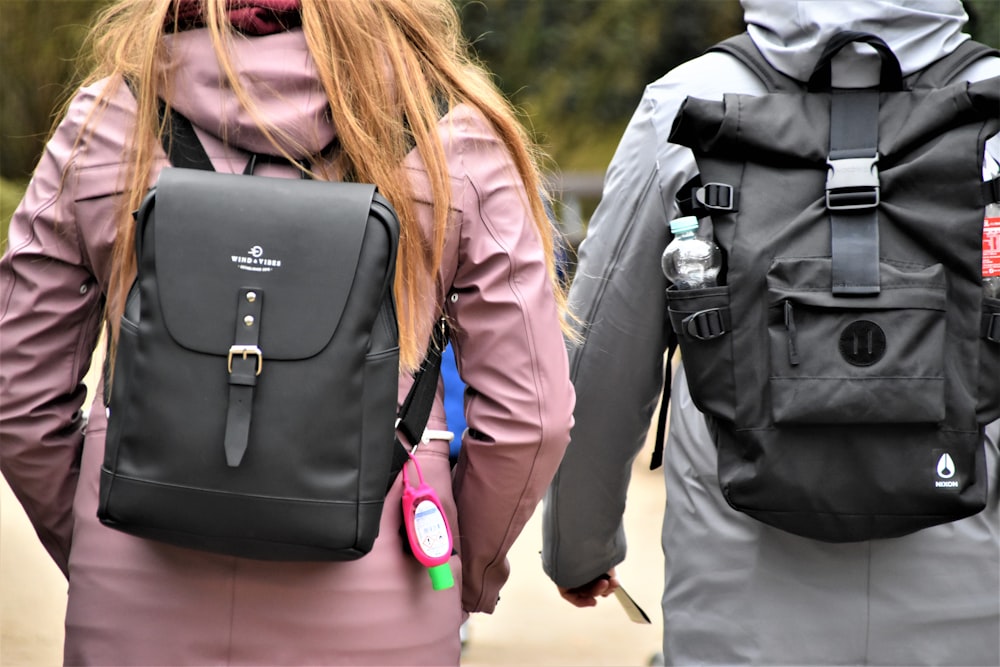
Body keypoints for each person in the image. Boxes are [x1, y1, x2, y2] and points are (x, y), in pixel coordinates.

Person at [0, 1, 575, 664]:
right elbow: (533, 417)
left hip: (135, 593)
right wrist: (460, 570)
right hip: (381, 596)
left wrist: (99, 539)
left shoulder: (106, 121)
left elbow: (18, 395)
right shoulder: (451, 134)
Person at [541, 1, 1000, 665]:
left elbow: (601, 357)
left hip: (737, 599)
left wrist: (578, 548)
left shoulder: (688, 102)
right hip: (971, 584)